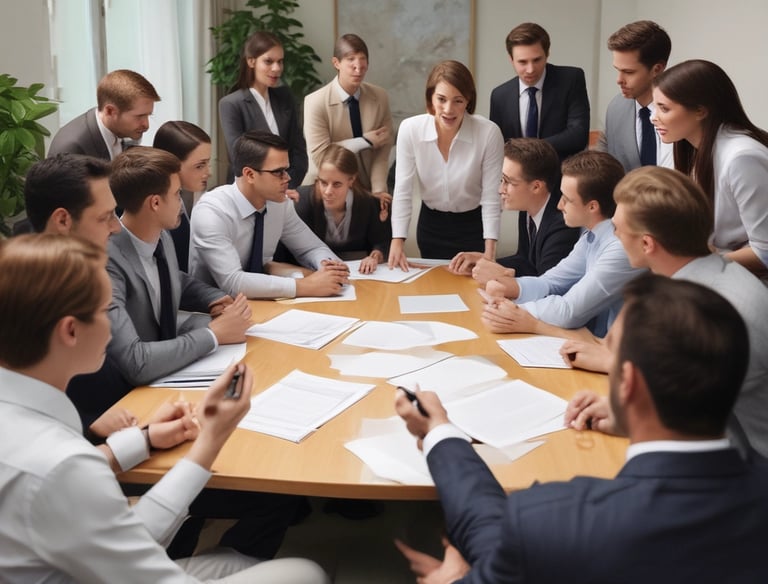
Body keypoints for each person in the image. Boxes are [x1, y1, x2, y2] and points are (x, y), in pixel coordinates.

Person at [394, 274, 768, 583]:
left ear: (628, 383)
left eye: (609, 349)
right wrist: (633, 417)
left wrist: (440, 431)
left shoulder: (552, 520)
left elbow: (511, 544)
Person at [0, 234, 329, 583]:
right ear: (70, 331)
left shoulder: (30, 434)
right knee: (306, 572)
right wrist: (214, 435)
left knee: (249, 561)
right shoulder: (63, 466)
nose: (115, 323)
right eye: (106, 310)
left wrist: (146, 439)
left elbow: (120, 536)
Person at [561, 166, 768, 457]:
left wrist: (627, 416)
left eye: (617, 229)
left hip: (743, 463)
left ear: (647, 244)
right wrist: (619, 408)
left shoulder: (703, 312)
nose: (614, 235)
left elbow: (690, 422)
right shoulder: (715, 272)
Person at [481, 151, 641, 337]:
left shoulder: (619, 248)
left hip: (617, 348)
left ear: (592, 207)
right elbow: (551, 282)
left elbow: (569, 311)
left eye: (567, 199)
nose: (559, 205)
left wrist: (514, 309)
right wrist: (513, 287)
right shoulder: (591, 236)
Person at [190, 131, 350, 299]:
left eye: (286, 170)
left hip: (266, 302)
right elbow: (233, 282)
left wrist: (329, 267)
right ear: (250, 174)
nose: (287, 178)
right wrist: (305, 286)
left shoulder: (279, 204)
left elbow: (311, 248)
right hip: (215, 307)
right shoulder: (212, 212)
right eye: (278, 172)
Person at [652, 59, 768, 280]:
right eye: (655, 107)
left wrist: (697, 261)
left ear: (700, 111)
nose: (653, 117)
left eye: (664, 108)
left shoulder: (742, 158)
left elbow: (765, 251)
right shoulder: (689, 145)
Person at [388, 60, 504, 266]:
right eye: (441, 99)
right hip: (431, 226)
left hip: (473, 227)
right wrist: (397, 240)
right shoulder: (410, 129)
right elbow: (403, 189)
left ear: (468, 100)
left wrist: (490, 253)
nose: (449, 109)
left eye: (458, 101)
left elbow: (491, 196)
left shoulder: (488, 132)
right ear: (431, 98)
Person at [449, 138, 579, 279]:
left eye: (508, 182)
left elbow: (547, 283)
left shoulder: (562, 224)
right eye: (501, 180)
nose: (500, 190)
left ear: (536, 187)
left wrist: (502, 273)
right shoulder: (527, 209)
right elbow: (525, 261)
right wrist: (487, 261)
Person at [304, 33, 393, 212]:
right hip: (326, 191)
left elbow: (382, 151)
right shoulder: (315, 102)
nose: (358, 67)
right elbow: (321, 156)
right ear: (336, 63)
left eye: (362, 59)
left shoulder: (380, 96)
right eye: (351, 59)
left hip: (368, 188)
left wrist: (377, 190)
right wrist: (364, 141)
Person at [277, 144, 390, 274]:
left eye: (337, 184)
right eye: (323, 183)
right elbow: (289, 250)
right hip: (311, 273)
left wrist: (375, 256)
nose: (328, 191)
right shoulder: (302, 200)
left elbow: (382, 242)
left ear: (351, 179)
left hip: (358, 274)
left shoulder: (368, 202)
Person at [219, 31, 307, 189]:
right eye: (268, 61)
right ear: (251, 61)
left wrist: (287, 186)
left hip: (286, 189)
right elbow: (238, 157)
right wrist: (271, 188)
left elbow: (298, 151)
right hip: (248, 191)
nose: (276, 68)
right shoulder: (231, 104)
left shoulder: (285, 97)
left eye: (280, 62)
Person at [489, 22, 590, 161]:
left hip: (561, 171)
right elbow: (498, 145)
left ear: (547, 54)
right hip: (517, 173)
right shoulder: (500, 96)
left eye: (536, 60)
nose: (530, 69)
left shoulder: (571, 79)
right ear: (511, 59)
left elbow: (578, 135)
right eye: (522, 62)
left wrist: (532, 149)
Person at [596, 20, 673, 171]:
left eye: (628, 72)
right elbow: (602, 163)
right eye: (617, 70)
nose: (619, 80)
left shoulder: (682, 113)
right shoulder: (616, 108)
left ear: (657, 69)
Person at [48, 69, 160, 159]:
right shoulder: (71, 149)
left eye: (148, 115)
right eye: (139, 116)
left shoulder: (124, 131)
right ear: (110, 111)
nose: (146, 125)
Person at [154, 120, 213, 271]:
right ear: (171, 164)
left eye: (208, 163)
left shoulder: (187, 196)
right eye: (200, 166)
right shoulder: (155, 211)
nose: (209, 173)